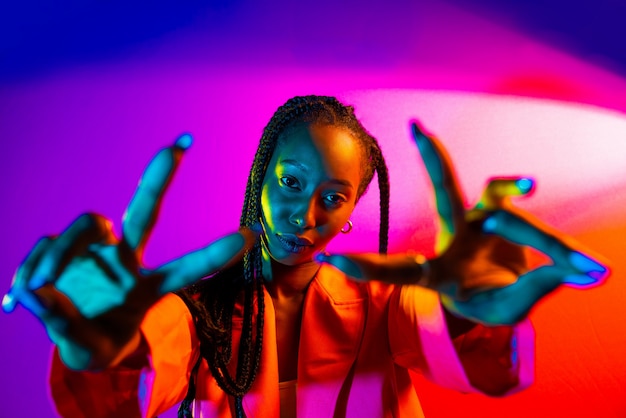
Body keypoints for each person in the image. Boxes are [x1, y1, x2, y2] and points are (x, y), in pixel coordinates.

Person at [2, 95, 608, 417]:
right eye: (291, 183)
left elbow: (466, 357)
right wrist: (110, 352)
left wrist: (469, 313)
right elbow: (131, 378)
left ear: (352, 214)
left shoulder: (387, 303)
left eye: (333, 197)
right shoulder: (193, 311)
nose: (306, 215)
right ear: (261, 178)